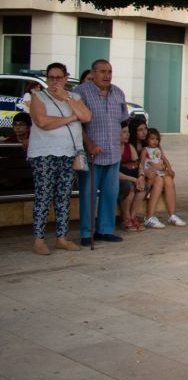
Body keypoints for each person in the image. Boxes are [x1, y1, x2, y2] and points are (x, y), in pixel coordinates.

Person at [27, 62, 90, 254]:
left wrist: (67, 99)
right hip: (44, 153)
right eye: (51, 77)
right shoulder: (38, 96)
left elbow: (86, 116)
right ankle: (38, 240)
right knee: (44, 195)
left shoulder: (74, 97)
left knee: (63, 196)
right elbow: (42, 121)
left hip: (68, 153)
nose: (54, 81)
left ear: (65, 78)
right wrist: (70, 118)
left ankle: (61, 238)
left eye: (58, 77)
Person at [77, 59, 129, 245]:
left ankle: (105, 230)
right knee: (88, 195)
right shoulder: (81, 92)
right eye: (102, 71)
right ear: (93, 73)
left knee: (110, 194)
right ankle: (86, 233)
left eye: (110, 71)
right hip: (92, 154)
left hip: (113, 153)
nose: (107, 75)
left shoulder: (118, 93)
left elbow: (123, 121)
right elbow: (77, 124)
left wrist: (121, 144)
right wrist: (89, 144)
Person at [141, 128, 185, 228]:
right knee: (159, 181)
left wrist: (170, 169)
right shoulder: (145, 150)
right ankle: (149, 217)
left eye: (157, 139)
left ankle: (172, 215)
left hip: (160, 171)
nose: (155, 141)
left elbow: (164, 159)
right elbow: (142, 164)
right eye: (152, 139)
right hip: (151, 173)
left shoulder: (158, 149)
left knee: (169, 181)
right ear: (147, 139)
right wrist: (145, 173)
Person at [118, 122, 144, 233]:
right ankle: (126, 219)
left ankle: (133, 217)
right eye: (124, 132)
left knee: (143, 188)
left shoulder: (130, 147)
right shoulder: (113, 149)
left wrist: (141, 176)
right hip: (120, 180)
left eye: (128, 132)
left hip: (132, 178)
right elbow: (115, 173)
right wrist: (135, 180)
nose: (127, 134)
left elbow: (139, 164)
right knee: (129, 188)